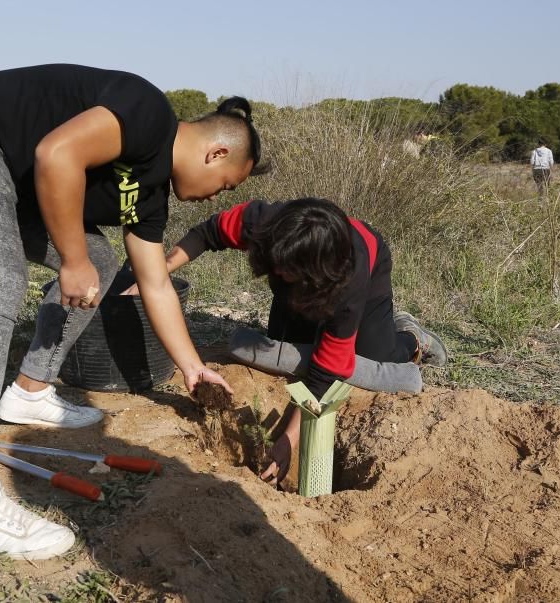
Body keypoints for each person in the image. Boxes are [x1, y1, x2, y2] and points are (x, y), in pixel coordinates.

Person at [0, 64, 268, 559]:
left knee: (105, 261)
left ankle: (29, 391)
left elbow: (155, 285)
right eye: (225, 185)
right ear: (216, 152)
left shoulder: (150, 198)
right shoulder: (148, 112)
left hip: (6, 174)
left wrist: (193, 368)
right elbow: (56, 153)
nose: (219, 196)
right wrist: (71, 260)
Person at [152, 197, 447, 485]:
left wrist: (288, 441)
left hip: (368, 264)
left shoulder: (348, 287)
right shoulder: (266, 225)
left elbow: (324, 374)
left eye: (288, 271)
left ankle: (413, 338)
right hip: (312, 266)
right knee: (282, 343)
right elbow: (207, 232)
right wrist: (155, 275)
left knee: (375, 355)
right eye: (279, 264)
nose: (277, 272)